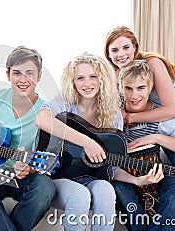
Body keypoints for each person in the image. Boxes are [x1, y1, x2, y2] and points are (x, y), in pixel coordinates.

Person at [0, 46, 56, 231]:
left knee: (46, 188)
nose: (23, 79)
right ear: (8, 75)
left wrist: (29, 168)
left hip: (23, 175)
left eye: (29, 73)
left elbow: (51, 153)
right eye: (17, 73)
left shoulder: (47, 111)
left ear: (39, 76)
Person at [35, 53, 122, 231]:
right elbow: (42, 120)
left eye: (93, 77)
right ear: (72, 82)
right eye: (80, 78)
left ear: (102, 79)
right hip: (60, 177)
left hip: (92, 178)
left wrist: (138, 180)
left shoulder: (114, 114)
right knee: (80, 195)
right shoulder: (64, 103)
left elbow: (112, 166)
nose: (87, 83)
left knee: (106, 190)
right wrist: (87, 142)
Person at [113, 60, 175, 231]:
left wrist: (157, 138)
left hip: (156, 173)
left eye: (141, 88)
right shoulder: (112, 112)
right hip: (122, 176)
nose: (134, 96)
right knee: (122, 192)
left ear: (150, 88)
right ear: (120, 88)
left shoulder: (160, 117)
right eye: (128, 88)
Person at [104, 26, 175, 127]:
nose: (121, 54)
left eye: (126, 47)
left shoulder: (153, 63)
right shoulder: (115, 75)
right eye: (115, 50)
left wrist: (129, 117)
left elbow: (172, 111)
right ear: (108, 54)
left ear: (134, 47)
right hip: (167, 118)